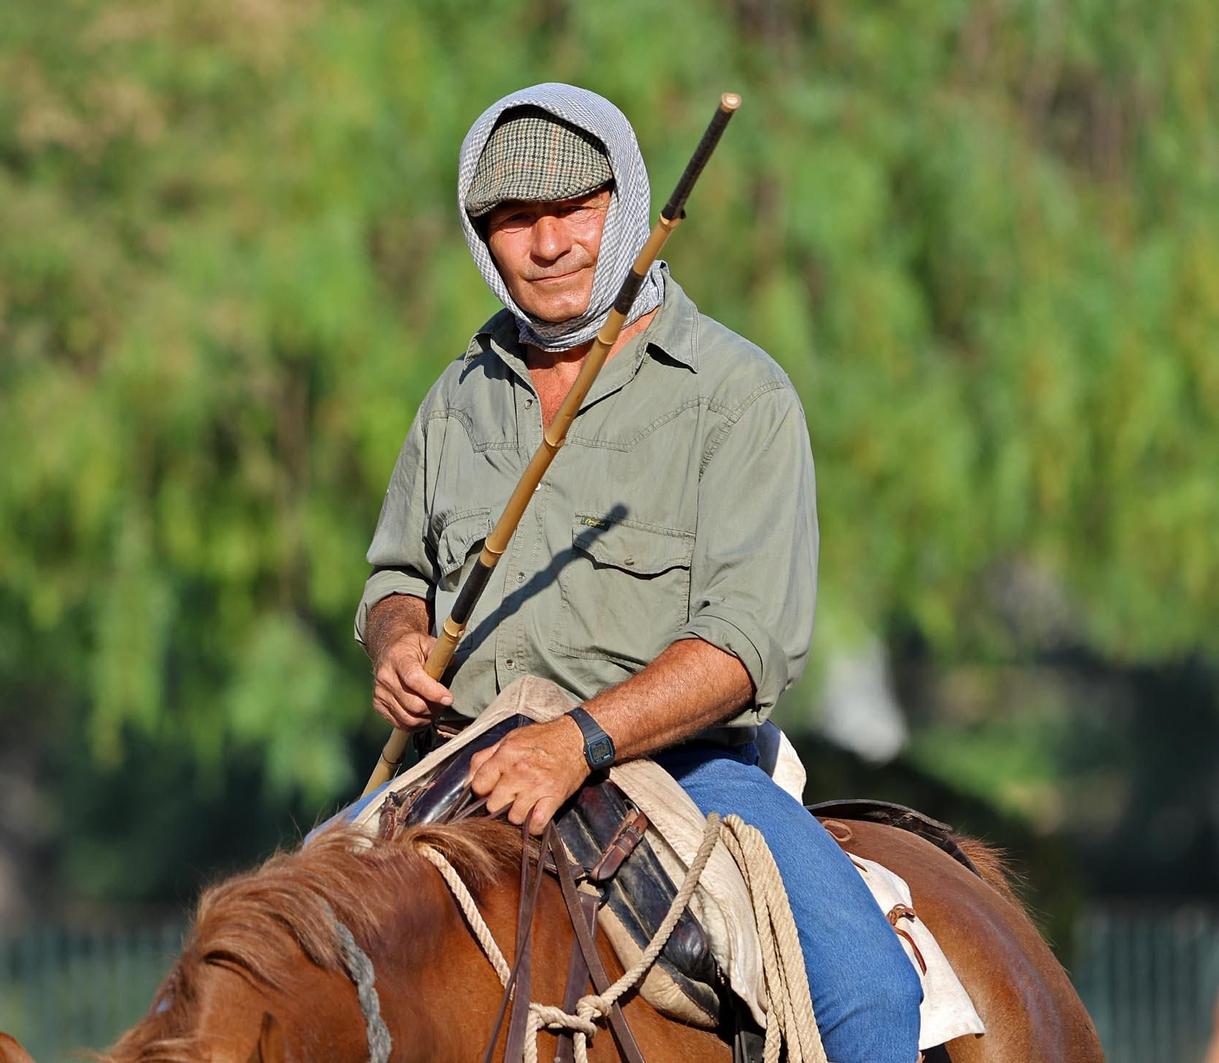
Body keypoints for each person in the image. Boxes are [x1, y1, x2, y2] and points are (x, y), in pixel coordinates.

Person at [355, 83, 923, 1061]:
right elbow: (394, 572)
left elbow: (747, 646)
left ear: (629, 204)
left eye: (574, 207)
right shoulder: (457, 396)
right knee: (269, 943)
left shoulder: (737, 395)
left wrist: (577, 741)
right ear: (477, 236)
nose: (547, 243)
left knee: (867, 997)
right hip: (465, 756)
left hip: (688, 770)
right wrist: (398, 638)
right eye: (513, 220)